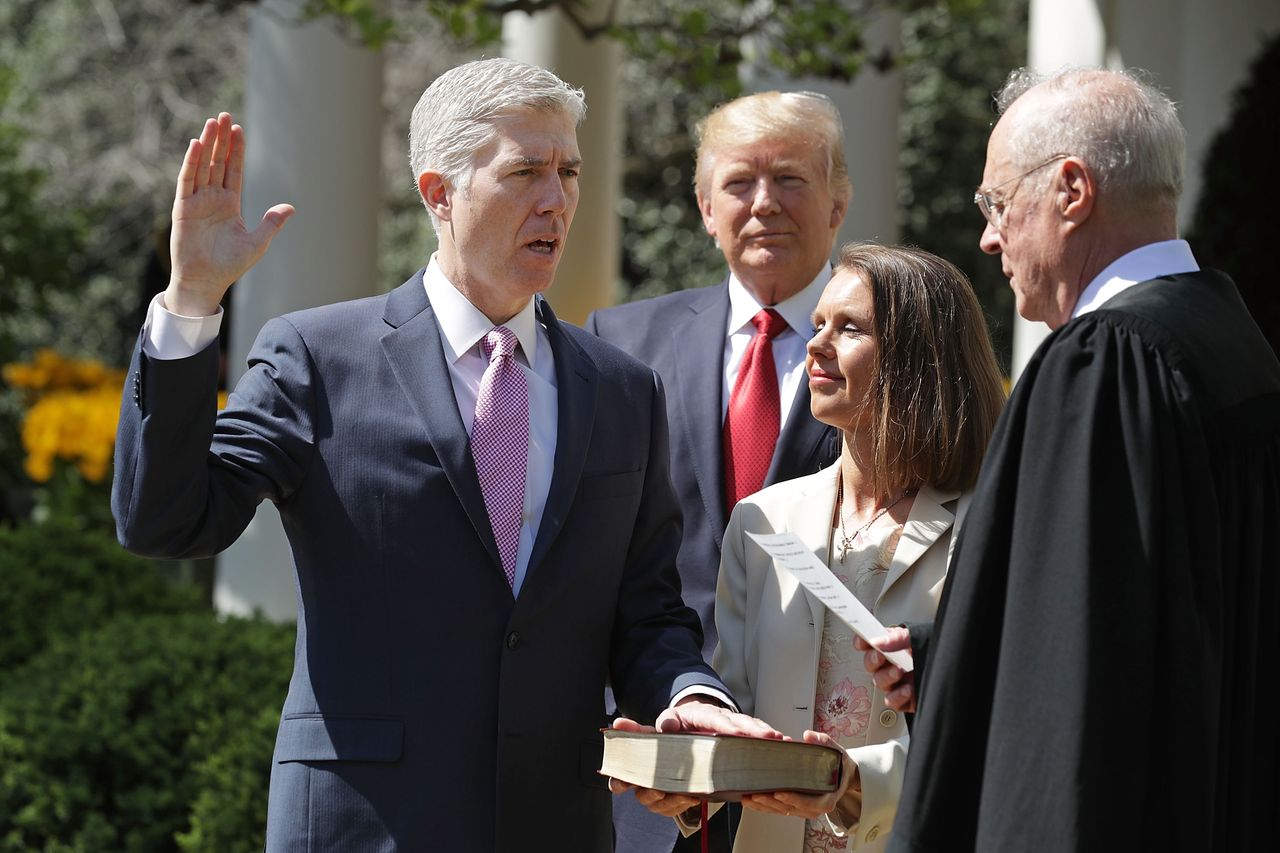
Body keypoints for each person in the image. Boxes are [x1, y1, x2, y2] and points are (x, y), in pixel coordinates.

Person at [111, 58, 777, 853]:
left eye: (567, 171)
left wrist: (689, 691)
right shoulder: (318, 356)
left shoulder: (623, 389)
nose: (555, 199)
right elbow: (166, 519)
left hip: (555, 825)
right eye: (524, 170)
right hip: (366, 823)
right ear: (439, 194)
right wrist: (191, 303)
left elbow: (648, 612)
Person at [871, 67, 1280, 853]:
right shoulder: (1230, 338)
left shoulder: (1104, 363)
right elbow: (1156, 621)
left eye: (996, 203)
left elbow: (1075, 684)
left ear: (1071, 190)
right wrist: (952, 651)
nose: (988, 236)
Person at [615, 243, 1005, 853]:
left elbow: (1000, 733)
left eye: (850, 328)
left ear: (922, 358)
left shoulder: (993, 524)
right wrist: (686, 775)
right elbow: (739, 713)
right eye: (819, 323)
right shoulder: (763, 521)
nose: (816, 344)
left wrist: (853, 785)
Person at [586, 90, 847, 852]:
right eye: (740, 183)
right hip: (658, 778)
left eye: (792, 179)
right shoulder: (621, 342)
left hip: (820, 773)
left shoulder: (894, 348)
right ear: (705, 207)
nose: (765, 203)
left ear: (838, 203)